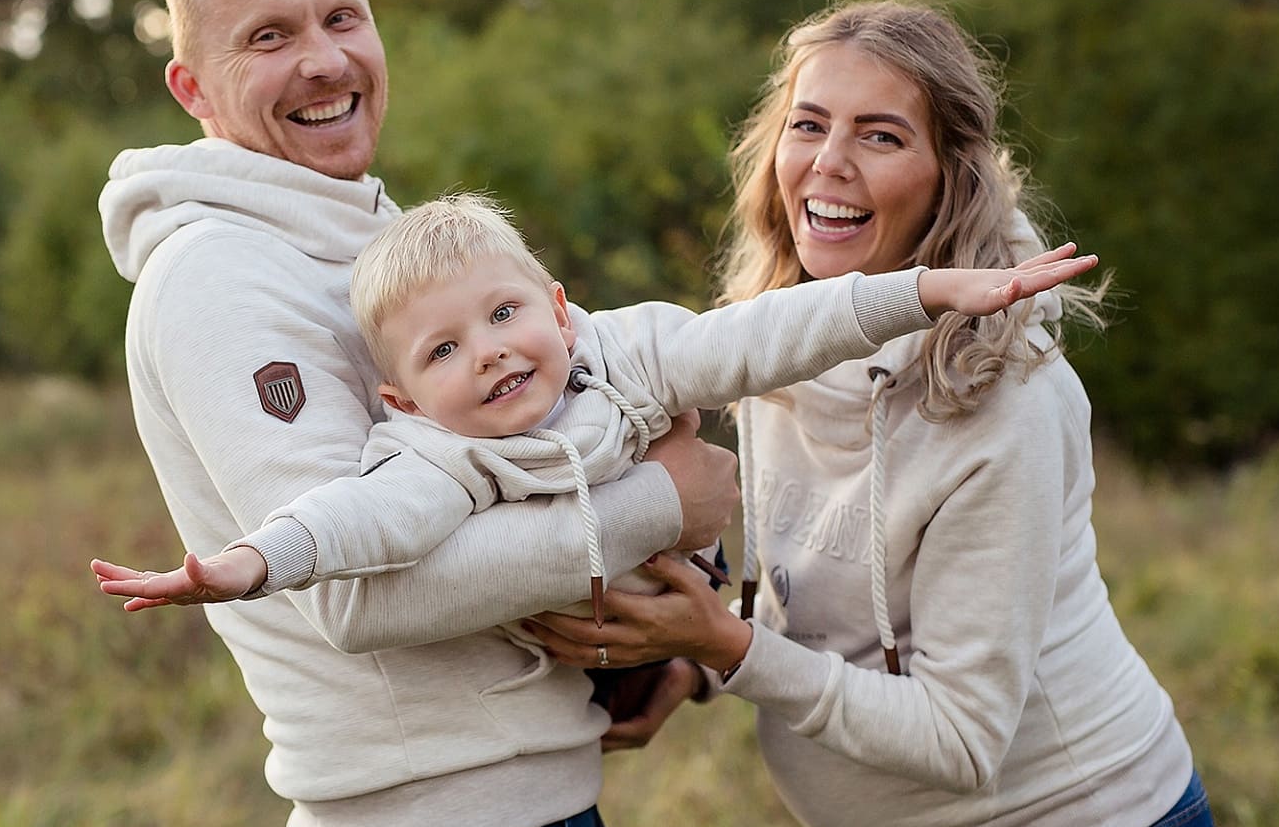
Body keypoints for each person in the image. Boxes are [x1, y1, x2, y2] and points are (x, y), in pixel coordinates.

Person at [94, 0, 750, 827]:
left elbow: (526, 456)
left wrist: (675, 632)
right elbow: (357, 593)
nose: (325, 58)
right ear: (192, 86)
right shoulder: (221, 277)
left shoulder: (369, 240)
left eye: (342, 16)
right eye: (268, 36)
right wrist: (673, 496)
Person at [525, 0, 1217, 827]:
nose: (827, 167)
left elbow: (958, 735)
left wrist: (726, 651)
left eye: (880, 135)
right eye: (806, 125)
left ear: (950, 176)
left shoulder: (1005, 401)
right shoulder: (773, 337)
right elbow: (818, 575)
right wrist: (691, 660)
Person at [98, 193, 1091, 667]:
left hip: (665, 626)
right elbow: (362, 522)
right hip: (574, 655)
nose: (486, 353)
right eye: (439, 353)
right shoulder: (440, 456)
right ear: (397, 399)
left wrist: (918, 292)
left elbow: (764, 335)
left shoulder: (627, 352)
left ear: (559, 307)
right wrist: (250, 562)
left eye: (501, 316)